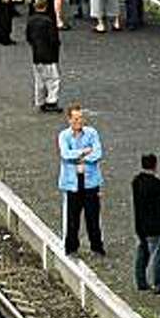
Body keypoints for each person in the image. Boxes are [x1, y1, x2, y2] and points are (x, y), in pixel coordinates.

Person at [57, 104, 105, 256]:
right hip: (72, 183)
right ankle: (71, 247)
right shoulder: (64, 136)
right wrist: (84, 152)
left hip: (91, 182)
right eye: (76, 118)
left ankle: (97, 247)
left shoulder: (92, 133)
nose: (79, 121)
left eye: (81, 118)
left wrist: (78, 158)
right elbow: (65, 154)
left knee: (93, 218)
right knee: (72, 218)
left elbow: (97, 153)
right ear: (69, 119)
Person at [132, 154, 160, 294]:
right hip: (156, 225)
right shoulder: (156, 183)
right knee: (158, 254)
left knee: (142, 253)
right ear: (155, 165)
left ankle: (141, 281)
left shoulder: (136, 181)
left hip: (140, 225)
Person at [25, 0, 62, 113]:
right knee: (53, 79)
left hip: (36, 54)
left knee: (39, 79)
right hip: (49, 55)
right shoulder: (48, 21)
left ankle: (40, 100)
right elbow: (54, 39)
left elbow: (28, 37)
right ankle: (51, 101)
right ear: (46, 6)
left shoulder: (31, 20)